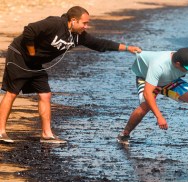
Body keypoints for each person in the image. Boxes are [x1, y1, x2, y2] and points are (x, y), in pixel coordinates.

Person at [0, 6, 141, 144]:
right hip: (19, 56)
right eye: (84, 23)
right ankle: (1, 131)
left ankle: (46, 134)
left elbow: (100, 44)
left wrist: (128, 48)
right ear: (73, 20)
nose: (86, 26)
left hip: (35, 64)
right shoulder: (55, 24)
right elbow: (29, 30)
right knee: (12, 93)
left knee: (45, 94)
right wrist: (31, 52)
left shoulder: (79, 37)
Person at [117, 47, 188, 147]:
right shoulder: (159, 65)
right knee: (146, 106)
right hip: (145, 77)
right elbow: (148, 93)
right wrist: (159, 116)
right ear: (178, 64)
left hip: (169, 80)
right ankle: (124, 134)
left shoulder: (187, 61)